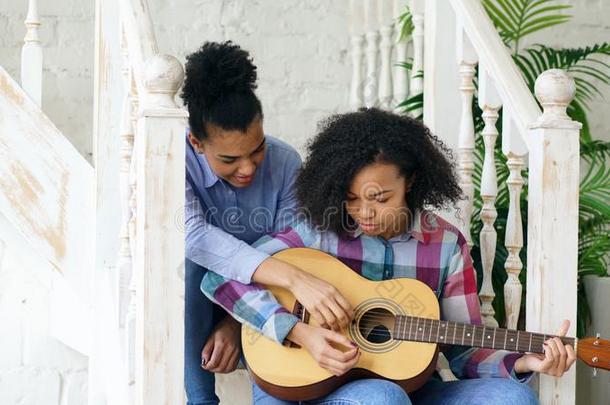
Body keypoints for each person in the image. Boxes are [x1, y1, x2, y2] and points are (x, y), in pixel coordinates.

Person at [201, 108, 576, 405]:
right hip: (326, 389)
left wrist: (525, 361)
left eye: (379, 198)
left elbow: (465, 352)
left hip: (417, 390)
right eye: (351, 198)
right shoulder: (318, 232)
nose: (363, 212)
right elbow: (222, 276)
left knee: (514, 398)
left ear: (410, 181)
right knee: (382, 396)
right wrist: (295, 330)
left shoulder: (445, 244)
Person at [183, 41, 353, 405]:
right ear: (197, 143)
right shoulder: (172, 161)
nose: (247, 168)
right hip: (193, 297)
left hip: (263, 300)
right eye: (229, 159)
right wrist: (295, 278)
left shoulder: (286, 161)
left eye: (257, 149)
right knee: (192, 263)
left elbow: (292, 249)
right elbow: (195, 239)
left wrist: (233, 321)